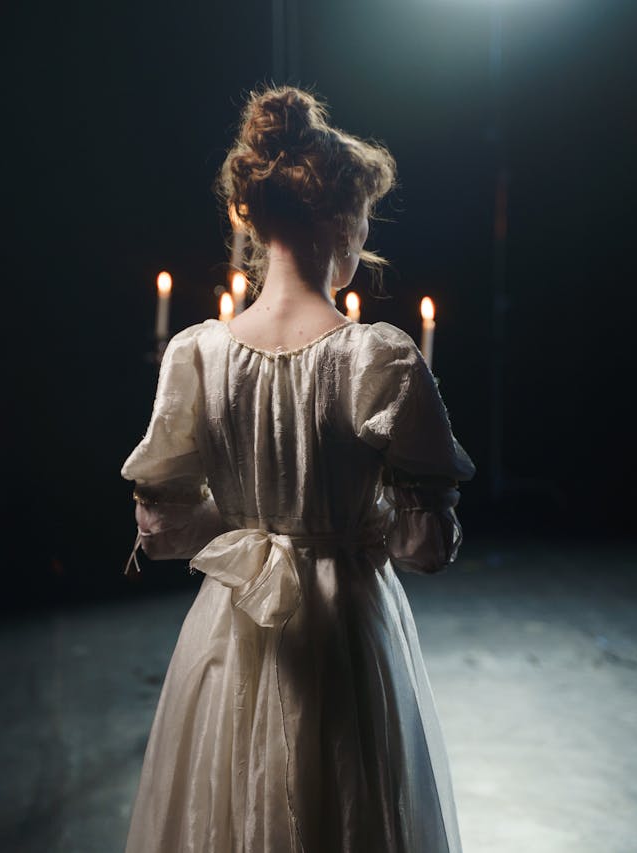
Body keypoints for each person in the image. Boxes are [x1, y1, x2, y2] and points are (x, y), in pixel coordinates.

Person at [120, 85, 476, 853]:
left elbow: (161, 525)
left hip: (231, 626)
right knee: (345, 808)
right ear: (341, 221)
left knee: (228, 804)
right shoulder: (375, 356)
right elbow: (427, 546)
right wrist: (348, 524)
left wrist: (252, 529)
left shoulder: (198, 354)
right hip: (346, 628)